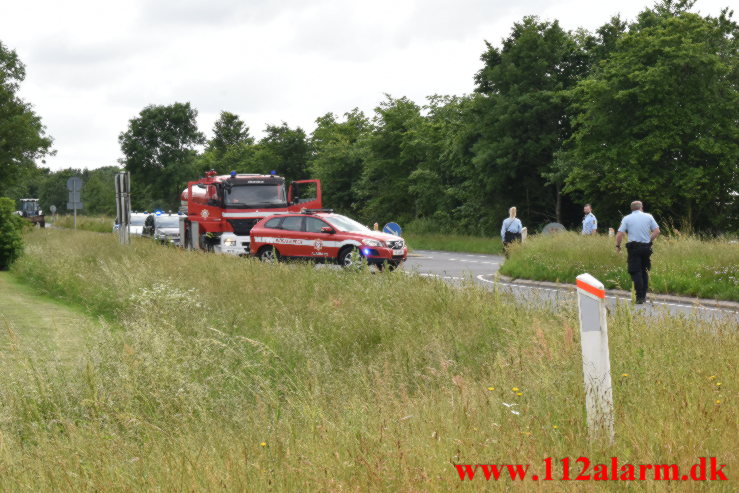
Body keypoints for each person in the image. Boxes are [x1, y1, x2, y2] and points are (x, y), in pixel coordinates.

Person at [615, 201, 660, 304]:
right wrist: (649, 240)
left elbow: (620, 234)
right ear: (641, 207)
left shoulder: (627, 218)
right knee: (644, 271)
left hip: (634, 248)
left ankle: (639, 297)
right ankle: (643, 296)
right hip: (646, 247)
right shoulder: (649, 216)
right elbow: (657, 231)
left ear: (631, 208)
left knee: (635, 271)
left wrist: (618, 246)